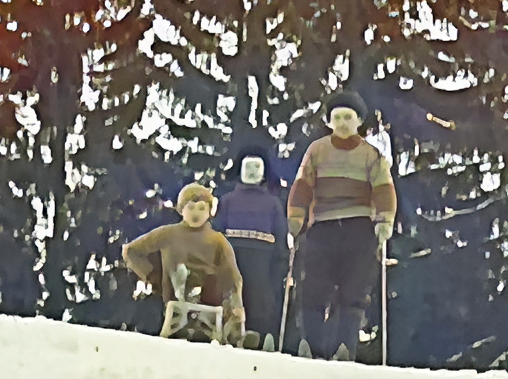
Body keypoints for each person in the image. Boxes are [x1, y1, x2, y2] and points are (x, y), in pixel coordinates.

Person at [286, 90, 396, 361]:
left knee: (354, 290)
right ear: (329, 121)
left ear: (358, 120)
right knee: (313, 287)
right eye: (337, 118)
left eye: (348, 117)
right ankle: (311, 346)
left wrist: (385, 220)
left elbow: (384, 189)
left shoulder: (371, 155)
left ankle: (344, 347)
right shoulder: (318, 150)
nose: (343, 123)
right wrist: (296, 216)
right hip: (322, 226)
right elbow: (303, 185)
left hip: (359, 227)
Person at [122, 183, 246, 341]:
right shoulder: (168, 234)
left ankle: (237, 337)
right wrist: (154, 276)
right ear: (181, 209)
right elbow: (132, 251)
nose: (196, 213)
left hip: (210, 310)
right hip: (175, 306)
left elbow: (233, 277)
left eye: (201, 208)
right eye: (191, 207)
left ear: (209, 212)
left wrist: (235, 306)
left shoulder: (217, 241)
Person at [213, 145, 288, 348]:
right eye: (249, 167)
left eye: (257, 167)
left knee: (260, 298)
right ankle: (231, 333)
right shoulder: (226, 201)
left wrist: (281, 261)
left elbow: (280, 234)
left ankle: (258, 336)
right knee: (233, 294)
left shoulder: (273, 204)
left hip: (263, 258)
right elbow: (217, 232)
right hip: (233, 254)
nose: (252, 172)